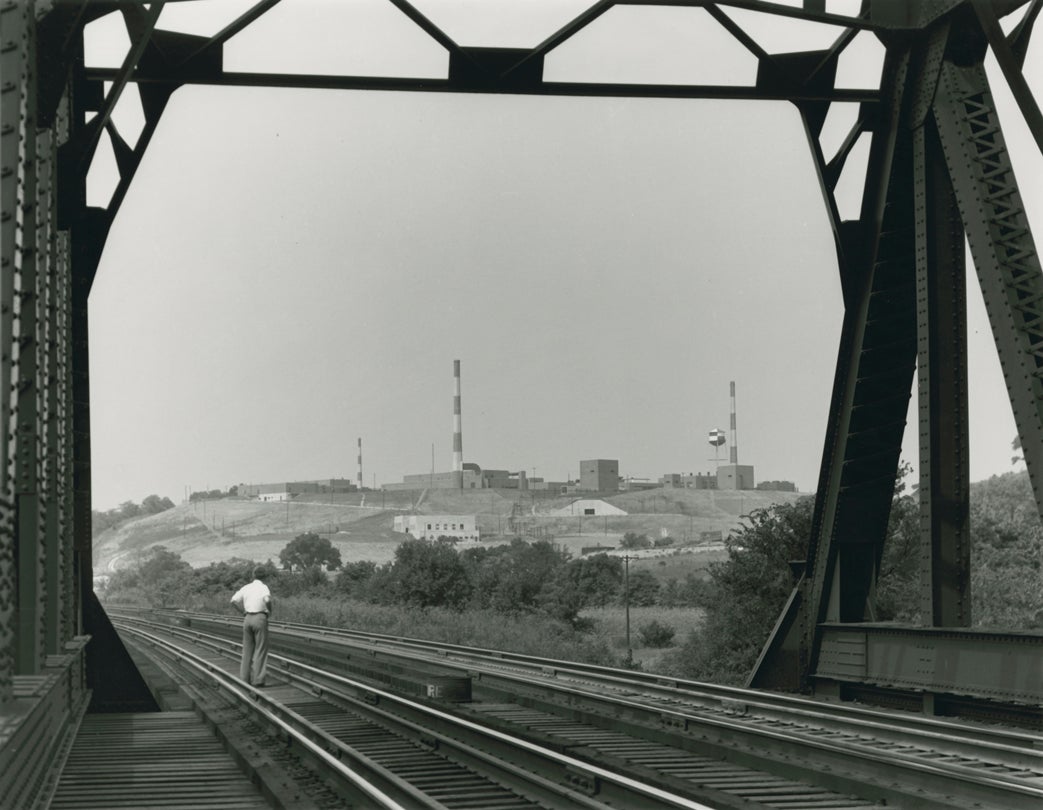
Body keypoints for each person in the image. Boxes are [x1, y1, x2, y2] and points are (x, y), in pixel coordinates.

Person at [230, 567, 273, 687]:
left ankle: (244, 679)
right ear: (265, 577)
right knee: (260, 649)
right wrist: (270, 610)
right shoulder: (264, 587)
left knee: (247, 650)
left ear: (253, 575)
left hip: (247, 618)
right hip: (260, 617)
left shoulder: (246, 587)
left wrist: (242, 612)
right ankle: (258, 680)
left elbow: (232, 601)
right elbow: (267, 600)